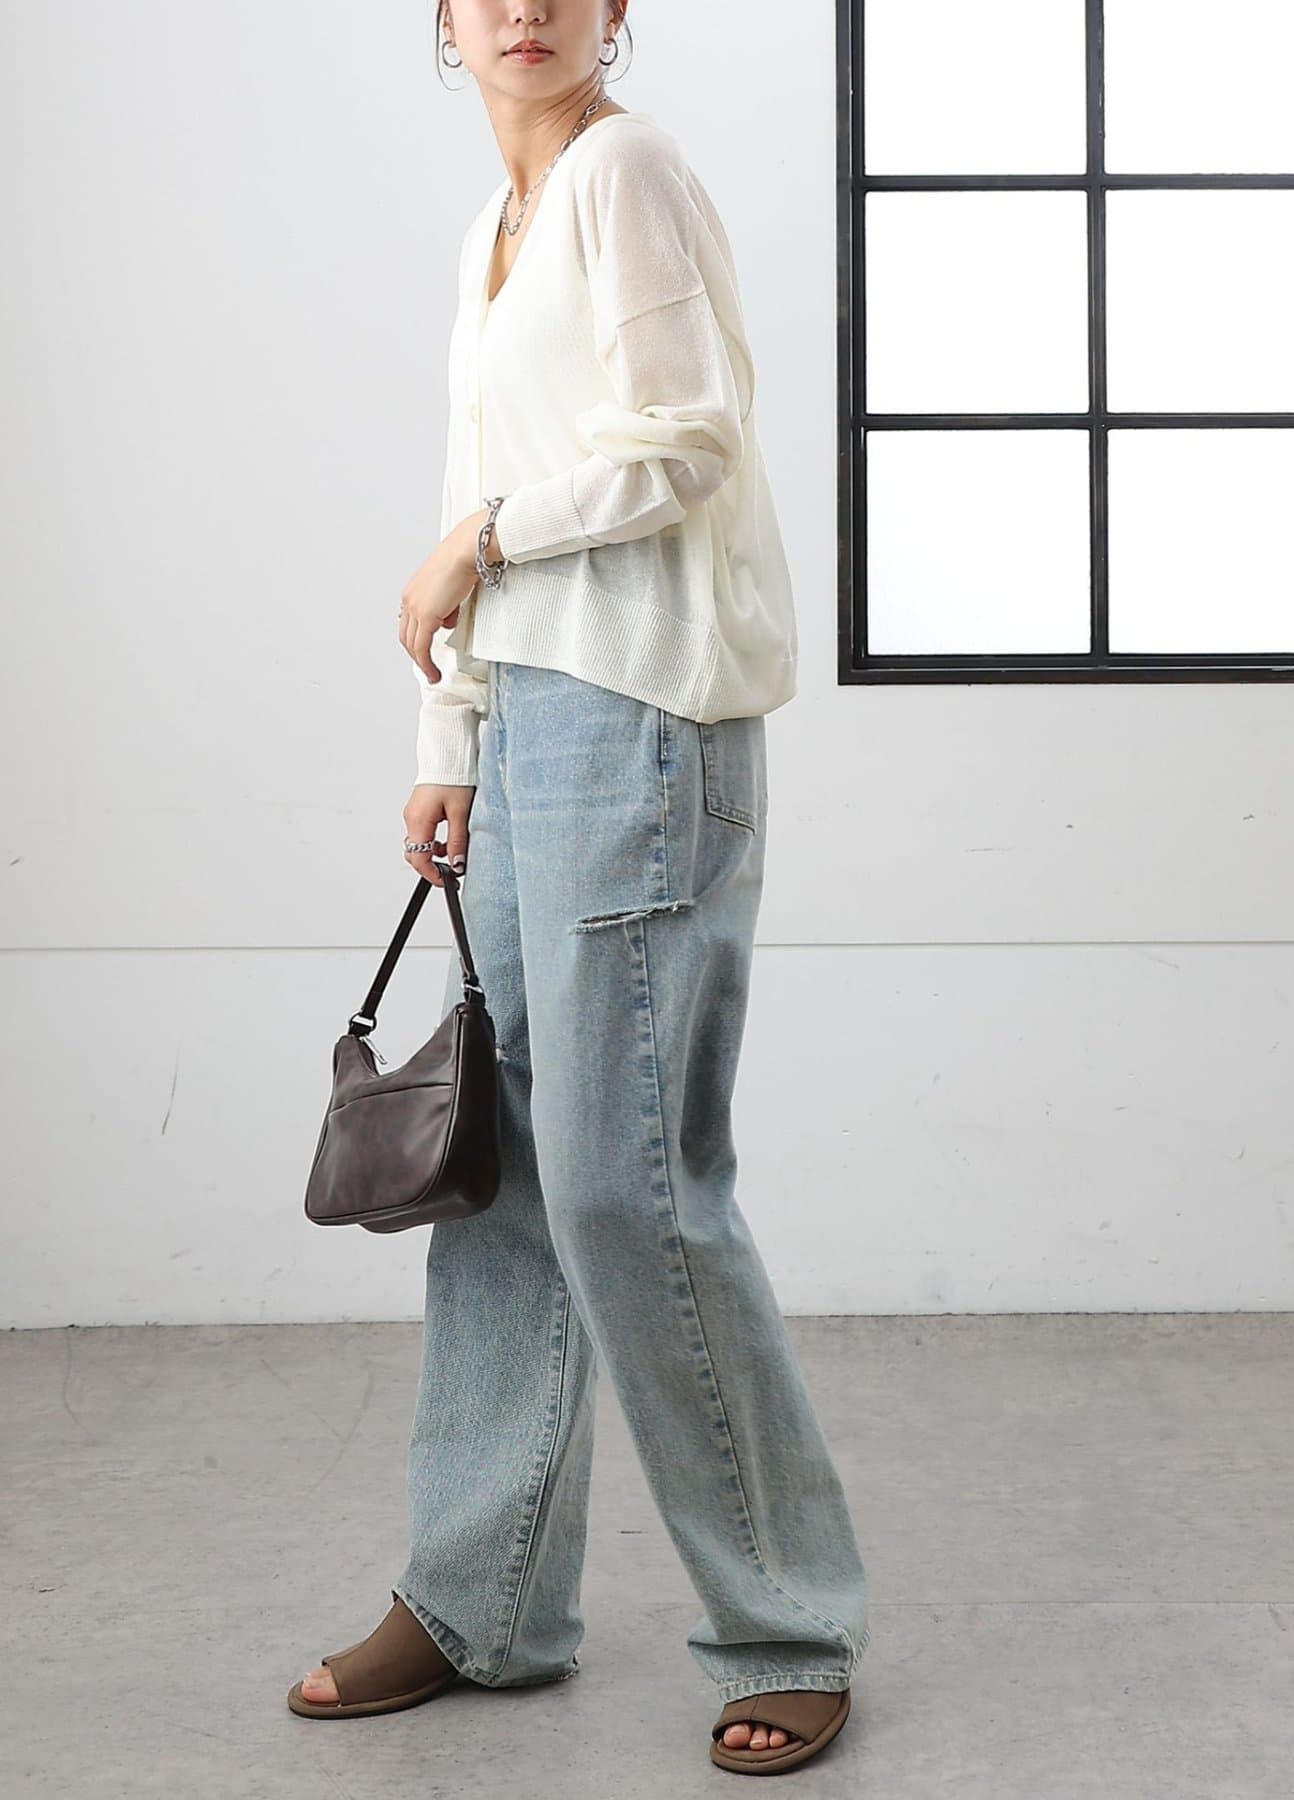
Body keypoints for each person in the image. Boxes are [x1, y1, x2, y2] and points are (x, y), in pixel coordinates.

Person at [285, 0, 870, 1775]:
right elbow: (474, 482)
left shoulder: (630, 174)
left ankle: (788, 1623)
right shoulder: (495, 221)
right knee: (502, 1179)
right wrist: (449, 735)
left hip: (646, 716)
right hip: (534, 715)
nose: (524, 11)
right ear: (446, 24)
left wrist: (483, 544)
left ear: (621, 13)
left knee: (631, 1191)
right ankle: (480, 1601)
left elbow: (688, 439)